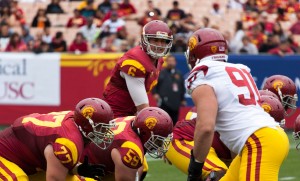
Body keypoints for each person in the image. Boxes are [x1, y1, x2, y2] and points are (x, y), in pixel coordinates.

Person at [185, 28, 288, 181]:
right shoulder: (240, 69)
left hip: (259, 141)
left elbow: (206, 127)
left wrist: (195, 169)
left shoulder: (203, 73)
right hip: (261, 138)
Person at [0, 98, 114, 181]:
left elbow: (54, 157)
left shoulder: (74, 123)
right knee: (17, 178)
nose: (104, 132)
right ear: (86, 125)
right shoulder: (68, 141)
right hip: (4, 157)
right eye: (100, 127)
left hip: (28, 163)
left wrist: (77, 168)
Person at [103, 20, 173, 118]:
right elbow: (143, 108)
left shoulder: (159, 60)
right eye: (155, 40)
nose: (159, 45)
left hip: (131, 114)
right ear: (145, 40)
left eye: (163, 41)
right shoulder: (135, 61)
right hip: (115, 116)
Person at [82, 107, 173, 181]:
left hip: (97, 162)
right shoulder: (130, 148)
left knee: (141, 167)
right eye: (159, 139)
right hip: (84, 171)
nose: (161, 144)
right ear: (145, 133)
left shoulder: (134, 121)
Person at [152, 55, 186, 124]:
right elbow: (154, 84)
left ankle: (173, 134)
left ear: (175, 62)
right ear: (166, 62)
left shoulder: (178, 74)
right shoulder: (161, 73)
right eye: (169, 61)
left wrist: (182, 99)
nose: (171, 63)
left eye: (172, 61)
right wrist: (155, 93)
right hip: (164, 102)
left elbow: (182, 87)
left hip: (176, 102)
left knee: (174, 121)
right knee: (163, 120)